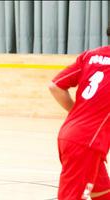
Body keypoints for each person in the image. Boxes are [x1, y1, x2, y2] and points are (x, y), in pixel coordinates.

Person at [48, 28, 110, 199]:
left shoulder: (89, 56)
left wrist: (79, 113)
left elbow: (55, 86)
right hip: (86, 144)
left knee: (104, 193)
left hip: (72, 135)